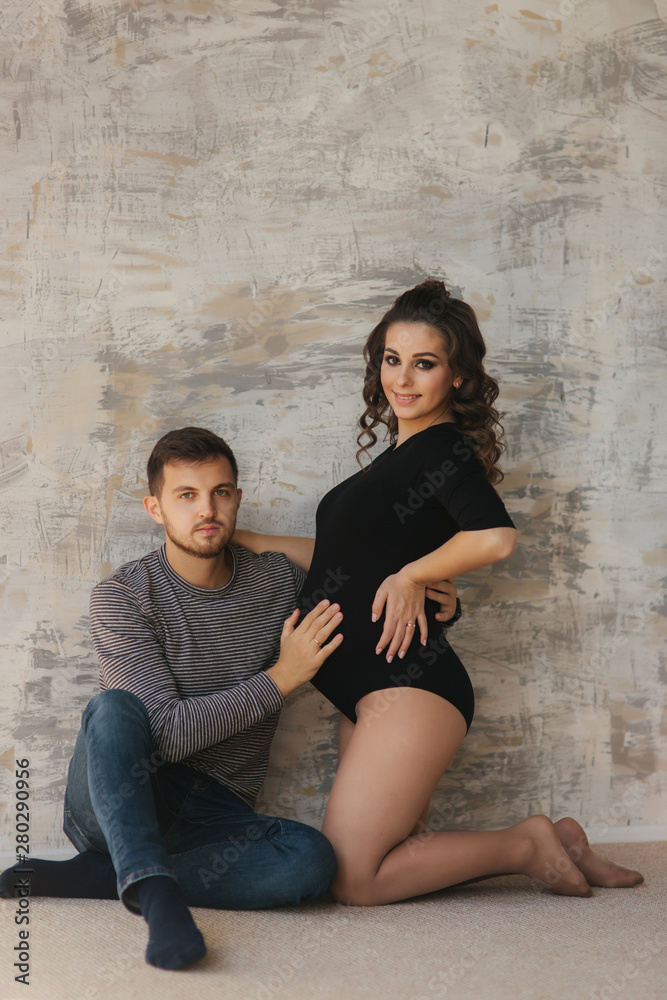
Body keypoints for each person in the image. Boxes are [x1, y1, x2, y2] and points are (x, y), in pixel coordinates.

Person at [234, 278, 644, 905]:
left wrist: (413, 576)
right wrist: (261, 540)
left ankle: (527, 845)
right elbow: (345, 561)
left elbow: (494, 537)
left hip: (408, 690)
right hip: (368, 696)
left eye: (424, 363)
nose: (402, 378)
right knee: (389, 856)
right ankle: (566, 840)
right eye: (391, 361)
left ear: (457, 376)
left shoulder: (441, 448)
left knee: (354, 880)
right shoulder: (396, 461)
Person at [0, 426, 458, 971]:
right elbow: (164, 732)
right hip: (122, 792)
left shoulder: (277, 584)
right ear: (155, 507)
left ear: (237, 498)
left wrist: (431, 591)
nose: (207, 509)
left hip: (219, 812)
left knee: (312, 862)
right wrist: (282, 677)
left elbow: (364, 582)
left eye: (220, 492)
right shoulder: (123, 595)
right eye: (186, 495)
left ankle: (111, 873)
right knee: (113, 709)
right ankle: (159, 897)